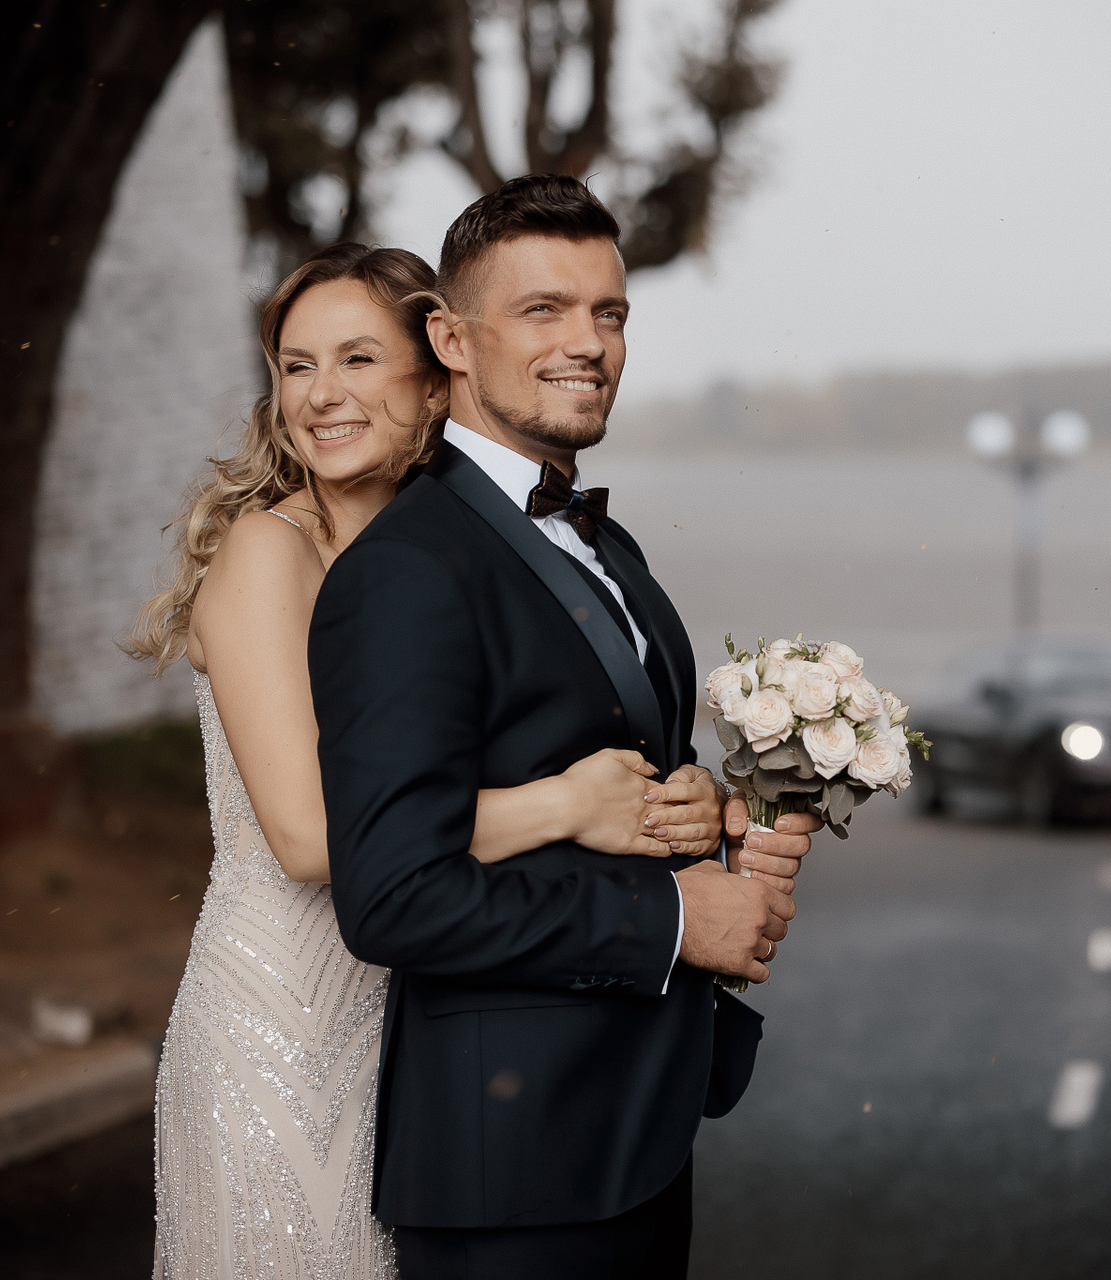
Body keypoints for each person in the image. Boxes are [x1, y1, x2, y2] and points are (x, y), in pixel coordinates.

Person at [126, 242, 787, 1278]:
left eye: (357, 359)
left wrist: (675, 799)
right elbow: (311, 838)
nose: (320, 394)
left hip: (425, 1006)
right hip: (292, 1019)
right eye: (296, 366)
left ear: (438, 376)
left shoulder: (458, 553)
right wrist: (565, 804)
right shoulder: (268, 551)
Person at [308, 175, 820, 1280]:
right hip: (513, 1168)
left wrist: (709, 819)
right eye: (543, 309)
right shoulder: (408, 570)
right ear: (452, 339)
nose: (588, 342)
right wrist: (672, 921)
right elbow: (394, 895)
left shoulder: (604, 544)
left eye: (609, 312)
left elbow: (610, 767)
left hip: (631, 1132)